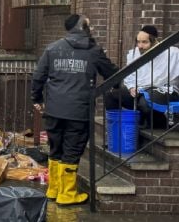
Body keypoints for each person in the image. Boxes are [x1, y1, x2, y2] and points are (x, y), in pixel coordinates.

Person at [31, 14, 118, 206]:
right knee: (72, 150)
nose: (93, 28)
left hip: (54, 109)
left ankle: (53, 189)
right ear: (83, 27)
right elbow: (112, 74)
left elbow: (38, 77)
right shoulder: (94, 51)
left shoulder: (52, 48)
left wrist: (37, 99)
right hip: (79, 111)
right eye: (90, 25)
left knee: (56, 149)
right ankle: (67, 194)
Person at [105, 25, 179, 127]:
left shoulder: (172, 54)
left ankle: (158, 124)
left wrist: (140, 88)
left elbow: (160, 80)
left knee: (144, 100)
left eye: (144, 42)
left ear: (154, 41)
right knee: (111, 96)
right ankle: (117, 129)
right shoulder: (135, 53)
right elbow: (129, 75)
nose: (140, 46)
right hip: (138, 90)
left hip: (164, 90)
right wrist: (131, 87)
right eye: (138, 42)